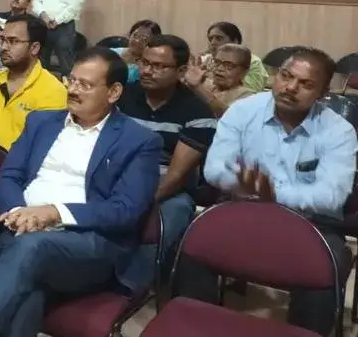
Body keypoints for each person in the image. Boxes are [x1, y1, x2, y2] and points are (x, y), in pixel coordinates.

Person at [0, 48, 161, 337]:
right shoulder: (41, 122)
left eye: (85, 85)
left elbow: (125, 209)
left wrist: (54, 213)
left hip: (88, 244)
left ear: (113, 92)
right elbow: (9, 176)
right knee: (29, 288)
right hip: (21, 230)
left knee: (30, 250)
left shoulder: (139, 140)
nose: (73, 90)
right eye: (71, 80)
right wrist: (19, 214)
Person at [177, 47, 358, 336]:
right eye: (286, 76)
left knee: (328, 265)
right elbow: (215, 170)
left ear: (323, 94)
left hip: (312, 224)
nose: (290, 87)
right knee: (194, 243)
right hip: (242, 211)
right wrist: (250, 188)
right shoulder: (243, 110)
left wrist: (272, 193)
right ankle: (194, 328)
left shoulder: (339, 131)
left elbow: (330, 197)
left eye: (305, 83)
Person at [117, 35, 216, 285]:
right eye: (144, 62)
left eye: (158, 66)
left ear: (181, 71)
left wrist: (138, 201)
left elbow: (176, 175)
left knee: (173, 212)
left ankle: (131, 287)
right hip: (117, 178)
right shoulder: (121, 97)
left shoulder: (197, 111)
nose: (147, 71)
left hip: (166, 189)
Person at [0, 14, 67, 150]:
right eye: (2, 40)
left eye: (13, 41)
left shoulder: (53, 91)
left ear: (34, 48)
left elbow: (44, 147)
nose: (3, 47)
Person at [182, 43, 256, 117]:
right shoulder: (205, 84)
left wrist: (198, 88)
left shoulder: (248, 96)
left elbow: (231, 116)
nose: (220, 68)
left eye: (229, 65)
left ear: (245, 71)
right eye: (217, 62)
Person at [203, 21, 268, 92]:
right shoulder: (206, 59)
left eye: (219, 38)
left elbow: (251, 92)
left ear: (235, 41)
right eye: (210, 39)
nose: (213, 43)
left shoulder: (254, 62)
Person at [112, 20, 162, 84]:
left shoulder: (148, 66)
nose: (137, 41)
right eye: (135, 35)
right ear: (130, 35)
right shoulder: (112, 52)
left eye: (144, 39)